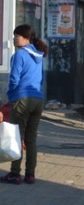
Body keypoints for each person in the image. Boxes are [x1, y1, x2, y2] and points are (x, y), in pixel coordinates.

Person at [0, 25, 48, 185]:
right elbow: (40, 79)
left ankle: (14, 174)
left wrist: (10, 97)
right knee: (31, 139)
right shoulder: (38, 55)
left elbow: (13, 80)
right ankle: (30, 174)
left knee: (17, 137)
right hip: (38, 100)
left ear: (26, 38)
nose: (14, 38)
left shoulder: (20, 54)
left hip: (21, 99)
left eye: (17, 36)